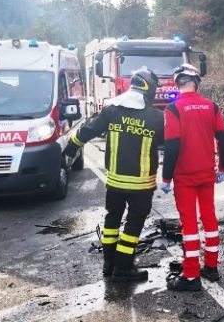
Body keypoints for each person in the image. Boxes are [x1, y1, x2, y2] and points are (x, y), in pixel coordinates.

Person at [63, 67, 163, 282]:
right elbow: (171, 143)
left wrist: (71, 148)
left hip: (115, 182)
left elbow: (87, 130)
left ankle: (108, 264)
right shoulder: (156, 117)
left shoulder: (112, 109)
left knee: (112, 221)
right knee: (133, 225)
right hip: (141, 184)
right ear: (149, 89)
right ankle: (124, 268)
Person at [161, 64, 224, 292]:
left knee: (189, 224)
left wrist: (166, 177)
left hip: (184, 175)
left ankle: (191, 275)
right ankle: (211, 267)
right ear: (196, 82)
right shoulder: (212, 106)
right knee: (209, 218)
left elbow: (172, 146)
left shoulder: (173, 109)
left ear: (177, 82)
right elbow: (223, 138)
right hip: (207, 173)